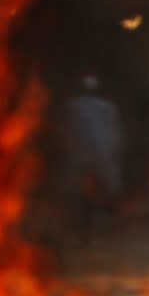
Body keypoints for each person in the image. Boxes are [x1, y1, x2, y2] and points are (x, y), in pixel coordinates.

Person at [60, 75, 124, 235]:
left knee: (75, 186)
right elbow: (114, 132)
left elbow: (68, 131)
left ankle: (82, 221)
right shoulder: (108, 107)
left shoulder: (72, 106)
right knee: (112, 184)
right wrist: (114, 150)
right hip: (103, 152)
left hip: (79, 153)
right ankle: (112, 217)